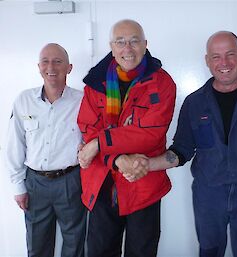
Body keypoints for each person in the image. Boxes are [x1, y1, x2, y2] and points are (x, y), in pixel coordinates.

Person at [121, 31, 237, 257]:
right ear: (207, 60)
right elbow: (181, 151)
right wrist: (147, 164)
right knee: (210, 252)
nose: (224, 63)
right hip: (208, 197)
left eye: (230, 54)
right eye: (216, 56)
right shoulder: (195, 102)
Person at [77, 19, 176, 257]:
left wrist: (100, 143)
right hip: (101, 182)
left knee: (142, 252)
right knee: (100, 251)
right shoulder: (94, 83)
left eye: (134, 41)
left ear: (145, 45)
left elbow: (151, 134)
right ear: (111, 46)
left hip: (143, 183)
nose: (127, 49)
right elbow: (89, 128)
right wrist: (118, 159)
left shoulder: (162, 83)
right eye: (120, 42)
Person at [5, 43, 86, 257]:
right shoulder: (23, 100)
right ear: (39, 66)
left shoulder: (83, 101)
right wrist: (18, 187)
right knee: (37, 246)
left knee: (75, 243)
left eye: (58, 61)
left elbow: (92, 139)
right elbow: (15, 146)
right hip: (35, 184)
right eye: (45, 61)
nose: (51, 66)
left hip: (71, 182)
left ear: (69, 67)